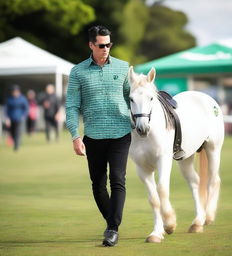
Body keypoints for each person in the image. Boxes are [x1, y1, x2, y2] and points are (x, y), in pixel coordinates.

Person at [65, 25, 131, 247]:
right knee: (98, 184)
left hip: (121, 132)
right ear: (91, 45)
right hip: (92, 136)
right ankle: (111, 221)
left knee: (118, 180)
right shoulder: (78, 72)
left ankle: (112, 228)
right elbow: (72, 106)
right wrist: (75, 135)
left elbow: (133, 96)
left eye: (109, 44)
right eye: (102, 45)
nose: (106, 49)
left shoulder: (123, 68)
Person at [5, 85, 28, 151]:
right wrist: (7, 118)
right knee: (12, 132)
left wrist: (23, 116)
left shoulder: (22, 98)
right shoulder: (9, 99)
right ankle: (16, 142)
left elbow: (26, 108)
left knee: (17, 131)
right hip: (11, 118)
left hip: (19, 118)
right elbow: (7, 110)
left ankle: (16, 146)